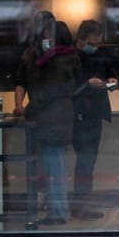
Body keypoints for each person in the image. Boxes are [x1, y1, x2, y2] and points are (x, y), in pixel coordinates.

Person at [16, 19, 81, 225]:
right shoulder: (58, 58)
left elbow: (50, 90)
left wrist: (29, 107)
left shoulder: (59, 60)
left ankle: (58, 211)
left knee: (54, 165)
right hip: (51, 118)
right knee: (53, 165)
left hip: (52, 118)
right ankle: (55, 208)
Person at [70, 20, 117, 220]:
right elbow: (68, 88)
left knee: (89, 162)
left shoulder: (99, 56)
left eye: (99, 44)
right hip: (80, 115)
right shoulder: (71, 59)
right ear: (81, 39)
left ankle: (83, 204)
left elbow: (112, 76)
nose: (96, 47)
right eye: (93, 43)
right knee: (85, 162)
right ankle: (81, 206)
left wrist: (112, 82)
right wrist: (87, 84)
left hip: (95, 114)